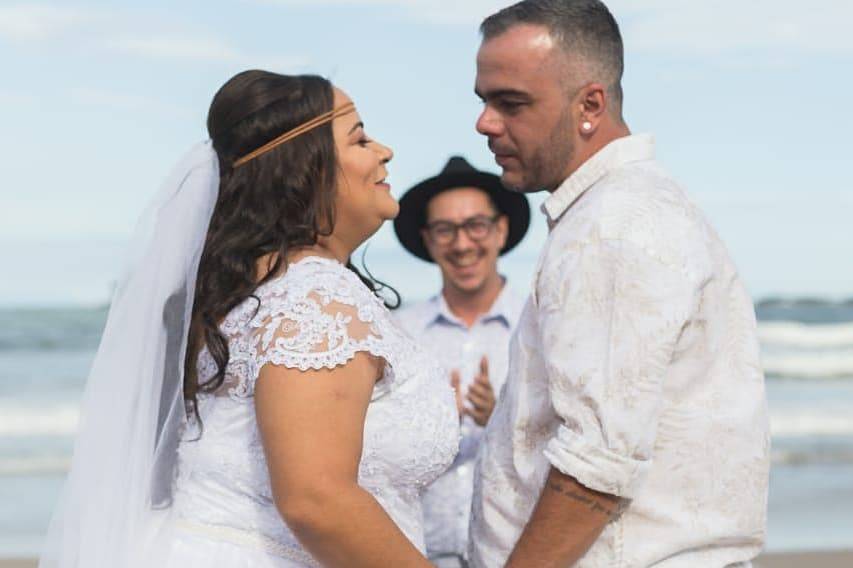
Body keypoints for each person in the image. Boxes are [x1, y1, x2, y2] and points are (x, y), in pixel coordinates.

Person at [40, 70, 459, 568]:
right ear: (306, 169)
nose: (384, 151)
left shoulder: (256, 294)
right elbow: (317, 501)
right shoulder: (314, 297)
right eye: (360, 137)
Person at [467, 2, 771, 567]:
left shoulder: (616, 225)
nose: (485, 123)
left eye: (510, 103)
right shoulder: (618, 211)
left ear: (590, 105)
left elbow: (597, 463)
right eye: (483, 101)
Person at [393, 156, 530, 566]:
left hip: (519, 553)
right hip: (419, 554)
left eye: (476, 226)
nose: (463, 243)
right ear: (428, 240)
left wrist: (503, 421)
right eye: (445, 230)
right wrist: (428, 427)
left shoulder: (540, 326)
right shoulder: (397, 334)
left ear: (500, 230)